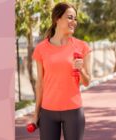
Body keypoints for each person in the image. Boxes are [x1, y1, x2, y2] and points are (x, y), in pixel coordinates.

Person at [32, 2, 91, 140]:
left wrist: (80, 69)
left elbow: (87, 82)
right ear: (57, 19)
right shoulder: (41, 49)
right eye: (70, 17)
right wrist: (36, 114)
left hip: (73, 112)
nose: (74, 22)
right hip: (47, 112)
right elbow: (40, 84)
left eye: (75, 19)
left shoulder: (82, 46)